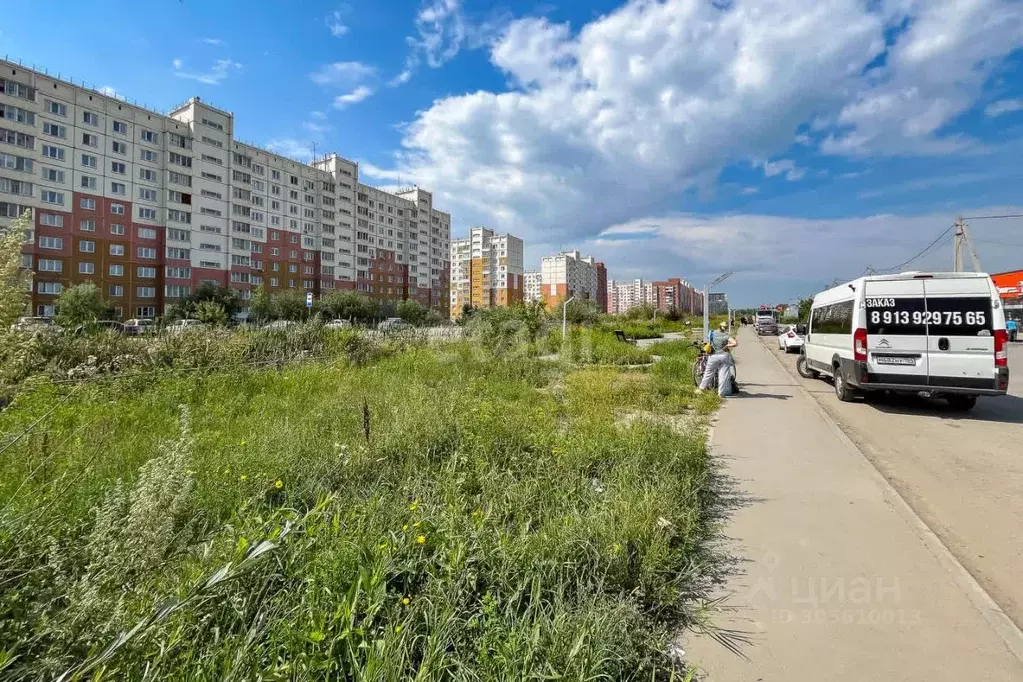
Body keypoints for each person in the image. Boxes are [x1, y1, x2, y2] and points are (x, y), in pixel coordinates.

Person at [698, 321, 738, 396]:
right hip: (724, 356)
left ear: (719, 326)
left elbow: (708, 343)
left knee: (708, 373)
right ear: (726, 328)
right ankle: (721, 393)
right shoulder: (727, 335)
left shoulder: (712, 333)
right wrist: (727, 346)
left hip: (713, 356)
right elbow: (735, 343)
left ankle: (701, 389)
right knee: (723, 375)